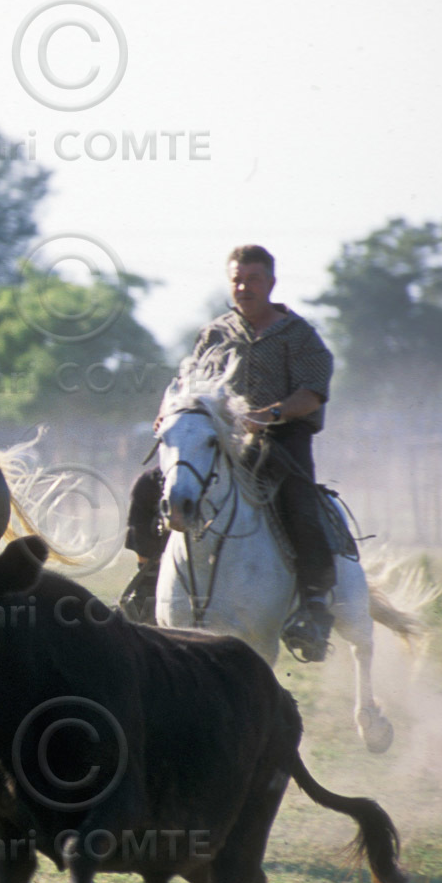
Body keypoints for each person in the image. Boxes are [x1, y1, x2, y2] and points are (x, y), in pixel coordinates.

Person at [119, 244, 337, 661]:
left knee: (298, 499)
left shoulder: (300, 335)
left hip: (282, 440)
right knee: (148, 487)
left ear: (271, 283)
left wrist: (268, 415)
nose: (243, 287)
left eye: (253, 279)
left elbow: (311, 394)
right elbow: (189, 386)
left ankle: (313, 607)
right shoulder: (215, 333)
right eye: (237, 279)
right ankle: (148, 582)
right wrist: (168, 417)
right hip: (219, 441)